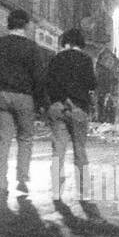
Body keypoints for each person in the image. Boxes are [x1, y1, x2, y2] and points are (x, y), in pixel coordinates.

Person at [0, 8, 42, 195]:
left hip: (2, 95)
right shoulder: (32, 48)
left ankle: (1, 181)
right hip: (24, 97)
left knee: (2, 139)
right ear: (25, 25)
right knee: (25, 138)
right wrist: (38, 101)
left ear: (9, 23)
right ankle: (22, 178)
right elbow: (38, 76)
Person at [43, 28, 97, 202]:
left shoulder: (56, 58)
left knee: (58, 149)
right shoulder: (86, 60)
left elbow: (48, 82)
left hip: (58, 107)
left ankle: (57, 190)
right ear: (80, 43)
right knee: (80, 149)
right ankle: (84, 191)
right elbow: (92, 84)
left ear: (65, 41)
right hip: (79, 109)